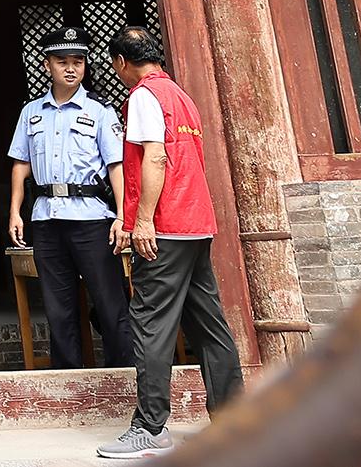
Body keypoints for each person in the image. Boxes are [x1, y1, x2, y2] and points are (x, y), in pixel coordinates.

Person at [97, 26, 244, 459]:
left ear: (121, 62)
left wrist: (141, 221)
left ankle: (150, 426)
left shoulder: (144, 96)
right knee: (210, 326)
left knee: (150, 322)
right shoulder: (181, 96)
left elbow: (156, 158)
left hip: (166, 225)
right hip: (197, 223)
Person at [7, 25, 134, 370]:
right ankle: (68, 381)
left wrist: (123, 216)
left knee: (109, 303)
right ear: (47, 64)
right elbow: (21, 164)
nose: (70, 68)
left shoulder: (100, 111)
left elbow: (116, 167)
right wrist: (15, 212)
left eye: (78, 61)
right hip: (46, 219)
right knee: (58, 309)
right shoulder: (31, 112)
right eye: (62, 61)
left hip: (91, 220)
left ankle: (122, 375)